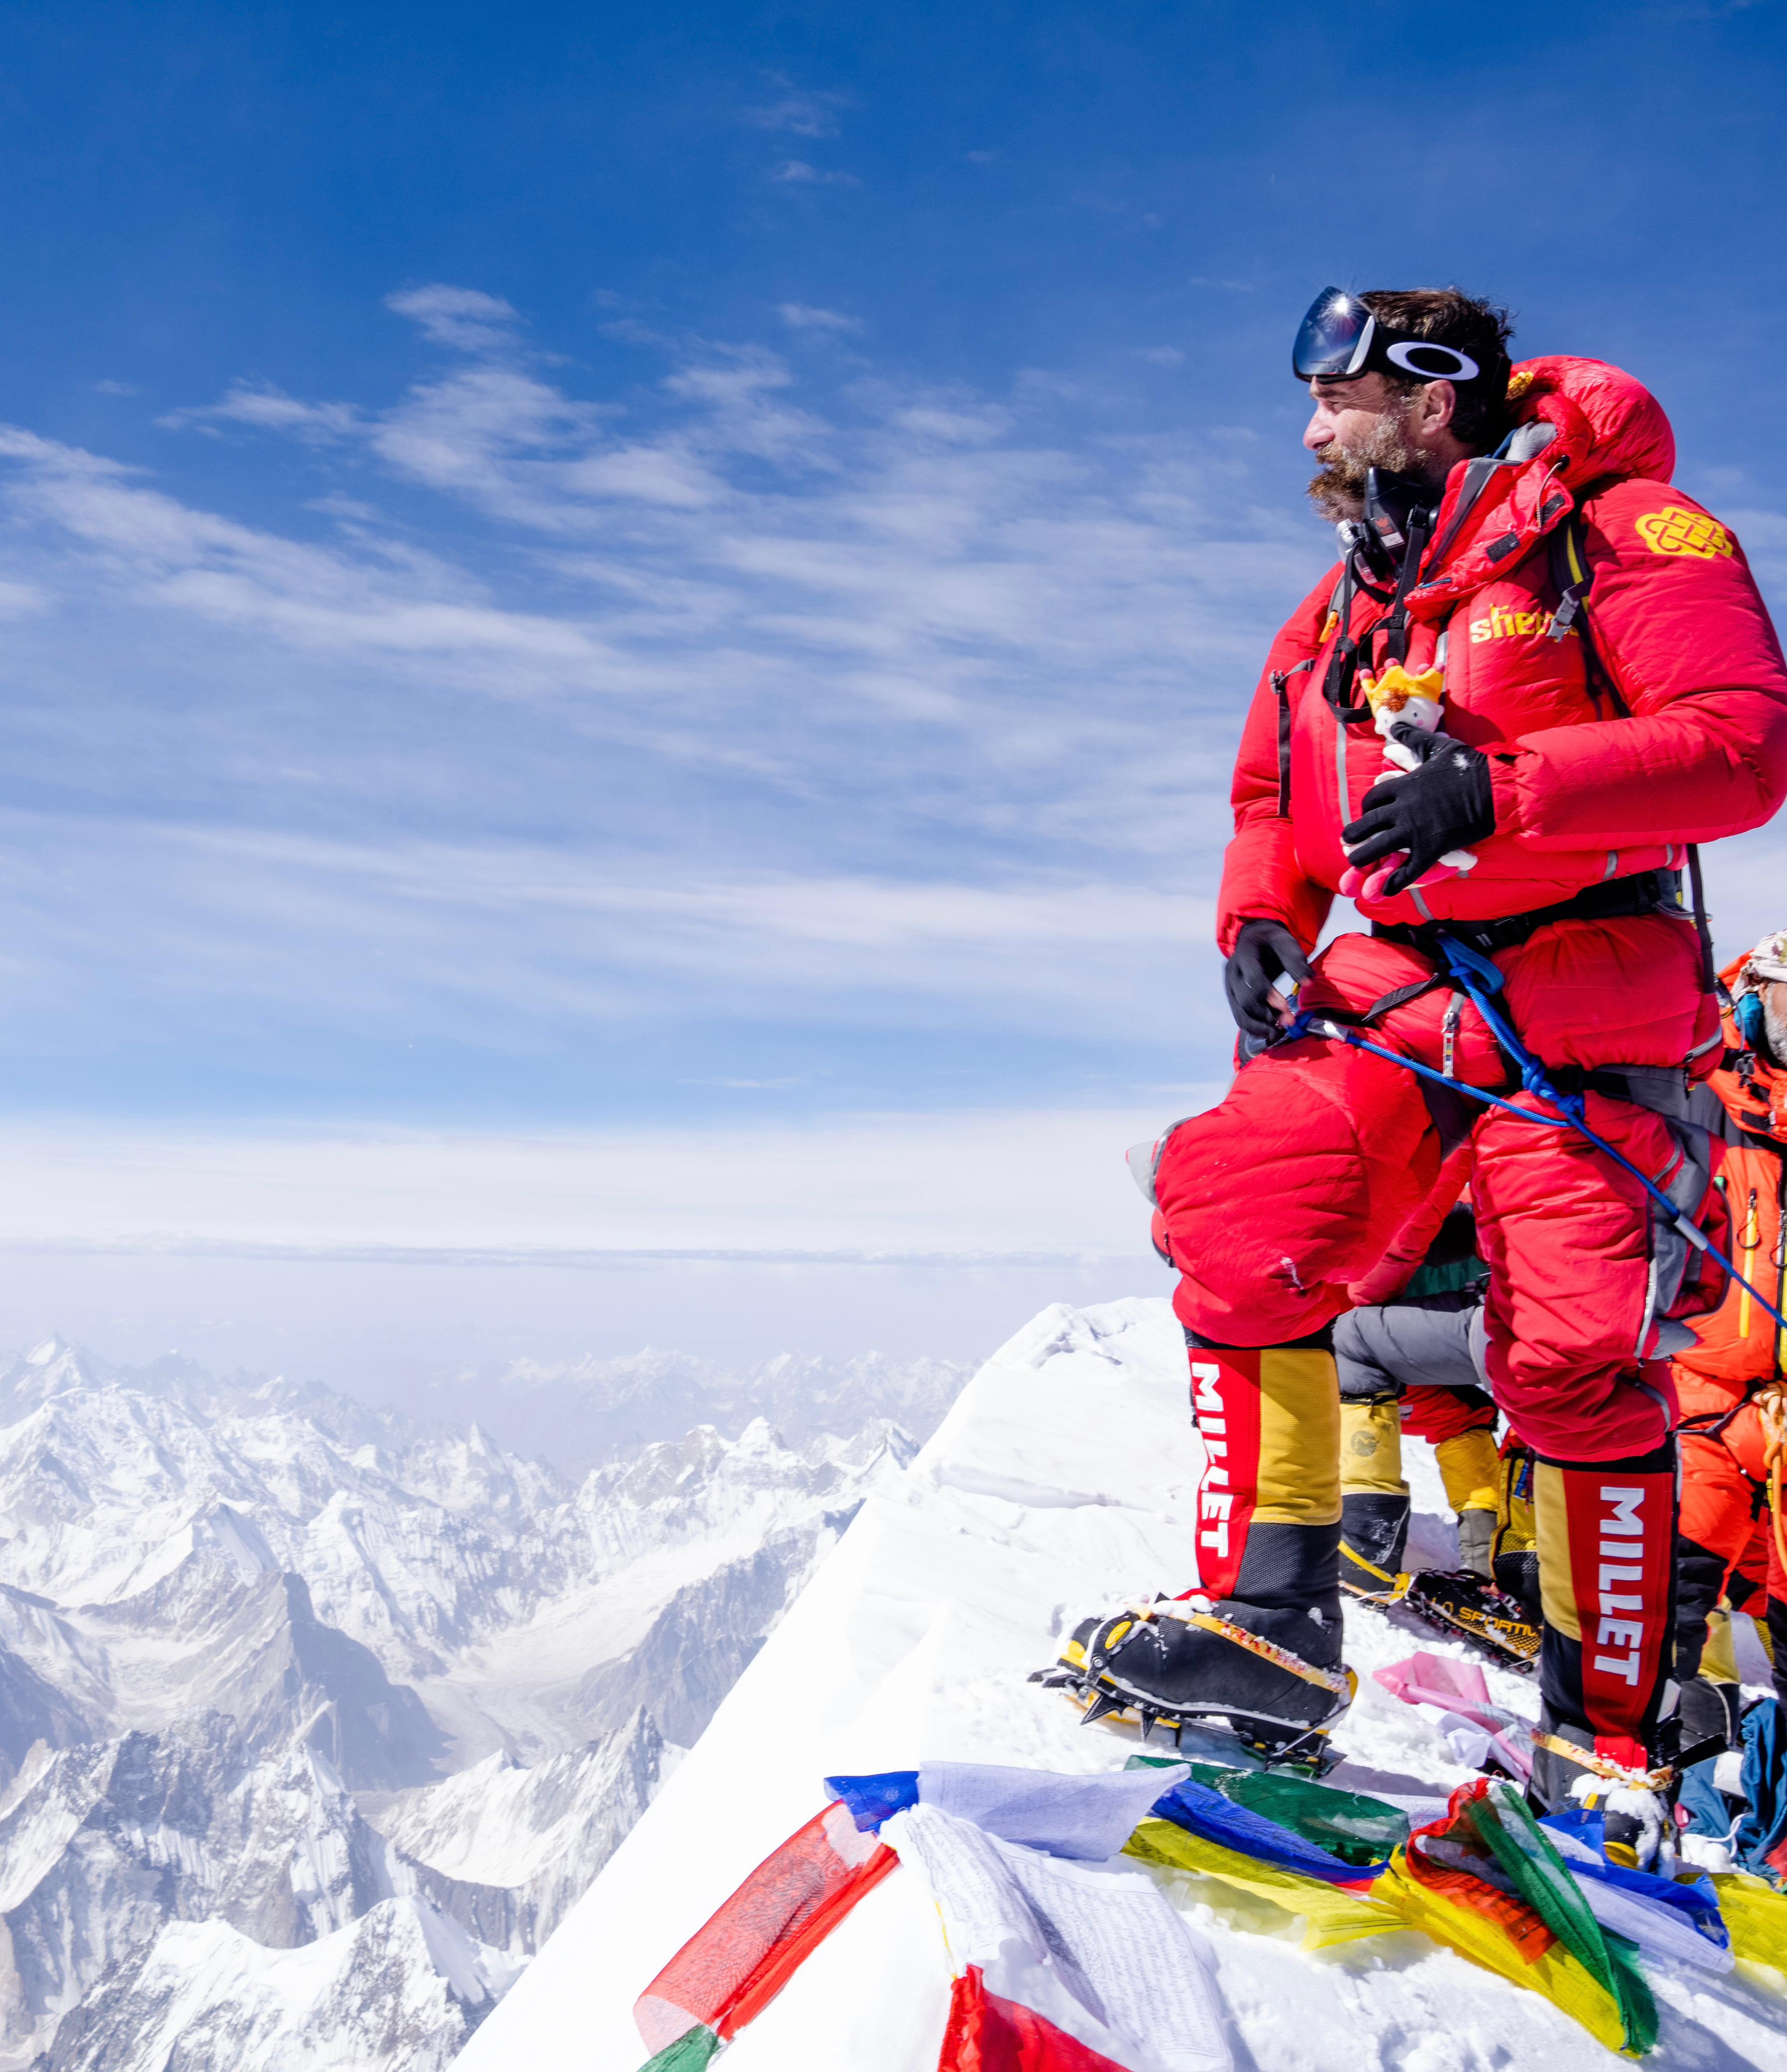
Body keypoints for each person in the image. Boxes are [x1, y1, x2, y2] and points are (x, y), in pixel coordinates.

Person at [1055, 286, 1787, 1828]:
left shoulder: (1627, 533)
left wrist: (1504, 790)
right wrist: (1260, 919)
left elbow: (1739, 743)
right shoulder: (1339, 604)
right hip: (1383, 997)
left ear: (1434, 393)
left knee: (1573, 1357)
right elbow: (1269, 794)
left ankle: (1610, 1729)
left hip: (1584, 1006)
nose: (1311, 429)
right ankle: (1269, 1628)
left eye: (1337, 395)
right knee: (1239, 1218)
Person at [1671, 932, 1787, 1753]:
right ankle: (1659, 1755)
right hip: (1691, 1392)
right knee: (1670, 1571)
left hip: (1780, 1415)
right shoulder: (1689, 1094)